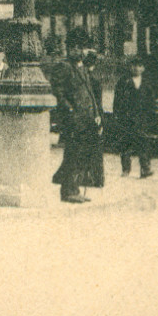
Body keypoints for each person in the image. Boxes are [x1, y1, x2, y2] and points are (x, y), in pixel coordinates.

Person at [47, 28, 104, 203]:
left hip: (86, 120)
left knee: (81, 154)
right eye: (75, 47)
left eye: (82, 47)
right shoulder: (64, 67)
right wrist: (70, 111)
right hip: (73, 120)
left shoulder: (83, 68)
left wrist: (96, 114)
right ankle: (68, 190)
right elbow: (58, 92)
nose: (79, 51)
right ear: (68, 48)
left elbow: (91, 94)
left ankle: (74, 187)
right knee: (73, 154)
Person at [112, 58, 156, 178]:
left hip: (141, 118)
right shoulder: (123, 81)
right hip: (126, 118)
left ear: (143, 68)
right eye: (134, 65)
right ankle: (126, 168)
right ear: (130, 67)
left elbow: (151, 102)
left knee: (143, 143)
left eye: (139, 65)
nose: (136, 68)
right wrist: (117, 115)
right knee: (126, 143)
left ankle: (145, 168)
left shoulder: (146, 83)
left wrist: (150, 116)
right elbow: (117, 100)